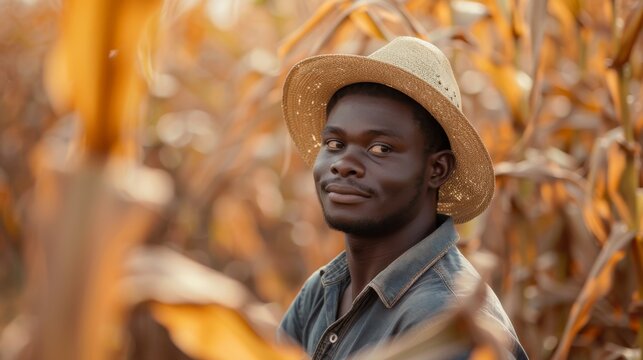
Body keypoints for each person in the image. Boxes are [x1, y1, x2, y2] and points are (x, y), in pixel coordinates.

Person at [279, 37, 527, 359]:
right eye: (335, 144)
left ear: (437, 169)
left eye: (380, 149)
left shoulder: (445, 321)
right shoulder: (322, 290)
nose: (343, 165)